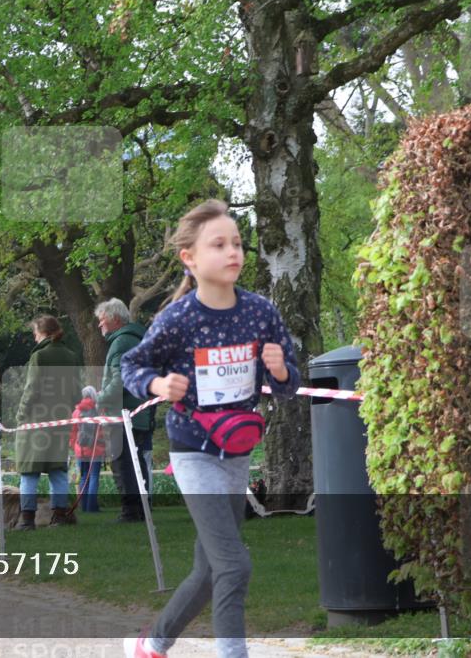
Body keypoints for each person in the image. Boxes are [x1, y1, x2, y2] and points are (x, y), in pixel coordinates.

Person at [120, 200, 301, 658]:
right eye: (218, 244)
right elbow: (131, 366)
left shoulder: (260, 313)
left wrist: (281, 373)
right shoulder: (178, 319)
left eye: (237, 243)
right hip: (193, 452)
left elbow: (289, 386)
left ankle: (152, 644)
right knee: (234, 565)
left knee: (209, 569)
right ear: (190, 258)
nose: (232, 252)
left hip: (237, 453)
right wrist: (159, 383)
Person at [13, 315, 81, 530]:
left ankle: (27, 521)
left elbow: (32, 389)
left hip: (36, 422)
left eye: (35, 333)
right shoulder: (70, 356)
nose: (34, 337)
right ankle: (59, 517)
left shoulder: (39, 357)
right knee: (58, 472)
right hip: (60, 421)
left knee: (29, 473)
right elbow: (76, 393)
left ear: (42, 333)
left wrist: (20, 415)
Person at [94, 298, 155, 523]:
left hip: (122, 413)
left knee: (122, 463)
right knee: (137, 463)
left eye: (102, 321)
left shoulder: (120, 343)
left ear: (115, 320)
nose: (100, 326)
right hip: (140, 412)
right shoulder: (140, 339)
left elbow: (119, 380)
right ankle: (142, 508)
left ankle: (130, 511)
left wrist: (99, 399)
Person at [69, 386, 105, 513]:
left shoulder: (77, 411)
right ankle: (92, 507)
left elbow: (72, 432)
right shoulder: (98, 409)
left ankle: (84, 507)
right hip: (96, 448)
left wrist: (74, 447)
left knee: (84, 477)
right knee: (94, 476)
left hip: (80, 450)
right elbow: (102, 431)